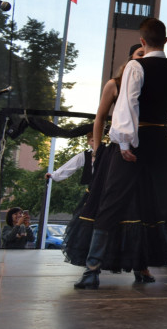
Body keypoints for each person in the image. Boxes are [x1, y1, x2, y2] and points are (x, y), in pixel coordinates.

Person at [74, 18, 167, 289]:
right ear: (164, 41)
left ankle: (92, 271)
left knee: (112, 200)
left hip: (138, 138)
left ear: (142, 42)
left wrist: (125, 143)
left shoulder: (135, 66)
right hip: (162, 138)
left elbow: (128, 104)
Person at [62, 44, 158, 284]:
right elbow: (100, 116)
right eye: (139, 56)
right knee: (108, 205)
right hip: (117, 150)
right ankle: (92, 268)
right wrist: (96, 151)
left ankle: (140, 266)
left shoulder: (151, 84)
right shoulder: (114, 84)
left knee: (141, 206)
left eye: (146, 56)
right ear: (130, 59)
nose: (143, 60)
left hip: (144, 151)